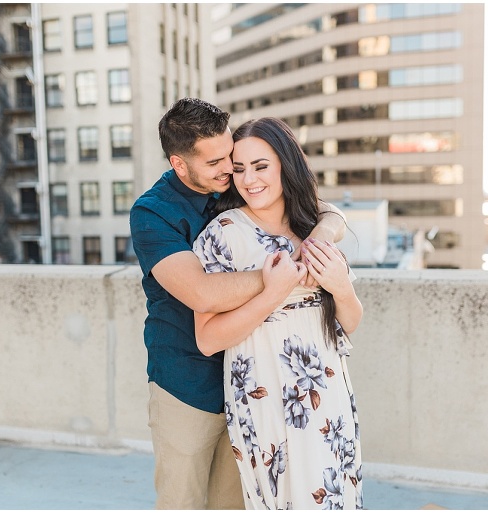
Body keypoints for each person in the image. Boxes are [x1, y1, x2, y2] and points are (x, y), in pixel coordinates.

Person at [129, 99, 348, 510]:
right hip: (186, 380)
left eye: (230, 154)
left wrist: (321, 236)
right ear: (179, 164)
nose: (231, 169)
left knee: (236, 503)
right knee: (183, 502)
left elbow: (324, 208)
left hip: (251, 379)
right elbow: (202, 293)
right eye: (216, 161)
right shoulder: (152, 214)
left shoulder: (232, 178)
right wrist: (282, 274)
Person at [192, 117, 364, 509]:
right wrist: (272, 294)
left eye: (261, 166)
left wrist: (341, 286)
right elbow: (207, 338)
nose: (249, 179)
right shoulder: (222, 235)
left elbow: (349, 323)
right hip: (264, 395)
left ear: (287, 164)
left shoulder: (313, 228)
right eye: (239, 169)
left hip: (327, 395)